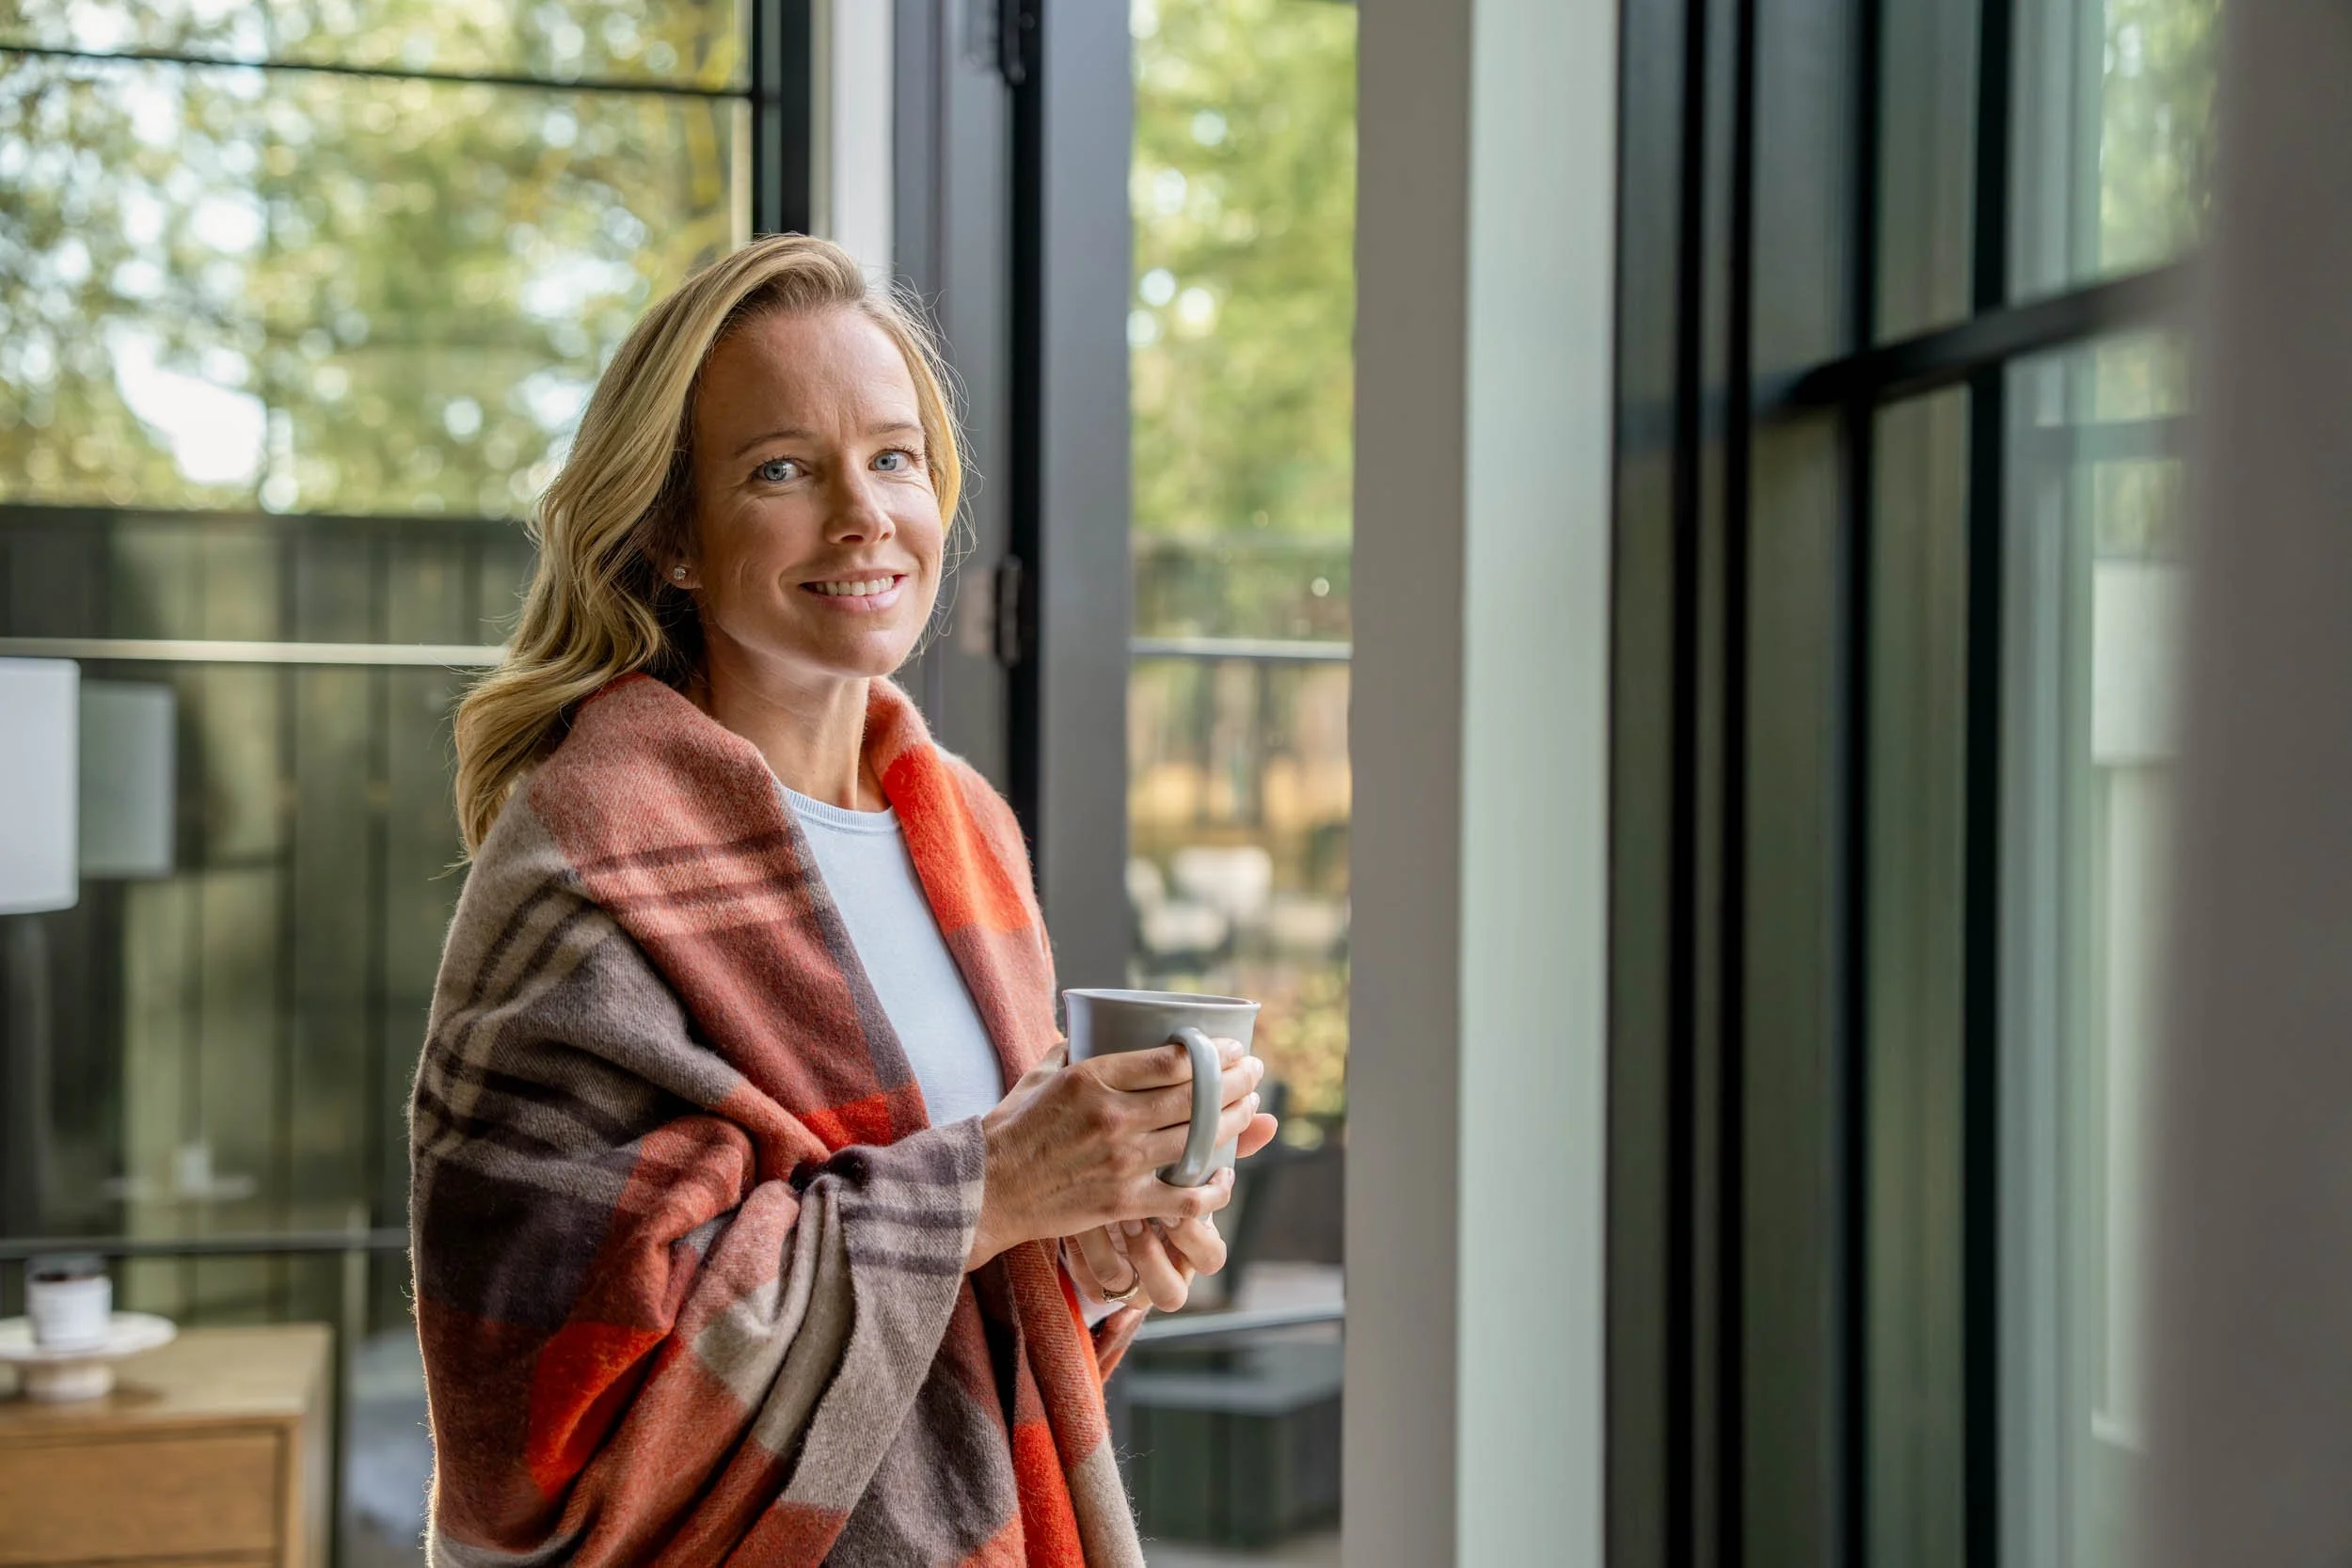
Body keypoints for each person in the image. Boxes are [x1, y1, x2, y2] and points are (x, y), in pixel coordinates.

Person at [410, 233, 1279, 1566]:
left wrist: (1089, 1246)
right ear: (676, 540)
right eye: (781, 470)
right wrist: (989, 1186)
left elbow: (968, 1297)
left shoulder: (963, 827)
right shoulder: (584, 864)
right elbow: (548, 1438)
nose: (864, 514)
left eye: (891, 458)